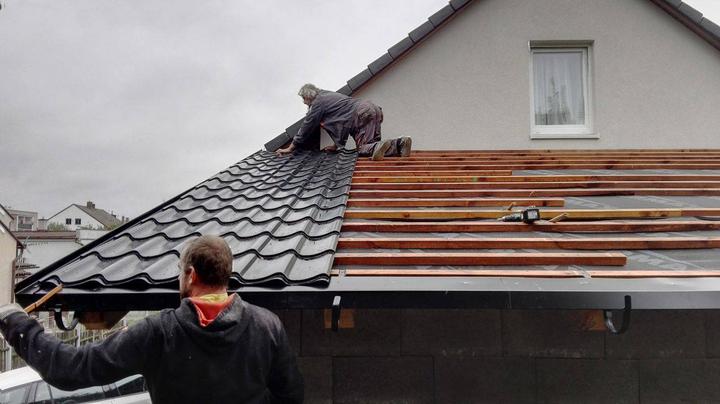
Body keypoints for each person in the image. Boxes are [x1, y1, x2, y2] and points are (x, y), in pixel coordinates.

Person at [0, 235, 304, 404]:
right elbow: (291, 396)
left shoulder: (159, 333)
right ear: (226, 274)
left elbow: (71, 370)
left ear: (191, 275)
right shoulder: (267, 326)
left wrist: (16, 323)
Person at [276, 83, 412, 160]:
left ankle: (379, 145)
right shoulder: (328, 95)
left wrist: (291, 147)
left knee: (364, 149)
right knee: (376, 151)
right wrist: (336, 145)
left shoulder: (318, 103)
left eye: (304, 99)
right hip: (373, 109)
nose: (304, 103)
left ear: (308, 96)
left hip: (361, 114)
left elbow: (307, 125)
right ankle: (400, 143)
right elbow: (341, 123)